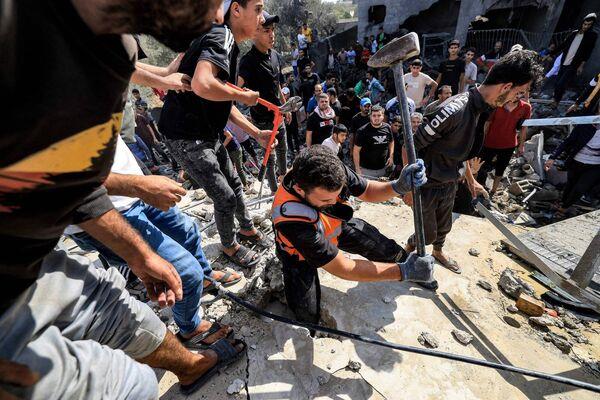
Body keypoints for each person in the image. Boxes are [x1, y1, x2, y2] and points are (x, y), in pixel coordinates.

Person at [1, 0, 242, 398]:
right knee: (136, 382)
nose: (218, 17)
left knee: (154, 275)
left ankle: (189, 355)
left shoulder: (111, 46)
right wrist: (137, 200)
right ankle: (189, 324)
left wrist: (140, 251)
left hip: (56, 246)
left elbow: (66, 178)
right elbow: (58, 177)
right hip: (90, 222)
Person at [66, 136, 243, 346]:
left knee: (188, 231)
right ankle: (190, 328)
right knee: (185, 273)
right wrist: (137, 185)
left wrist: (141, 180)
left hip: (135, 192)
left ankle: (205, 277)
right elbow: (58, 181)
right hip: (99, 213)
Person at [402, 50, 543, 281]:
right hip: (427, 184)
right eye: (519, 94)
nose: (518, 101)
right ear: (506, 86)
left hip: (449, 182)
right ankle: (408, 248)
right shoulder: (454, 110)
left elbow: (462, 153)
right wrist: (407, 186)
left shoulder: (483, 110)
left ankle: (438, 252)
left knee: (444, 226)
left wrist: (472, 181)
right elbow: (410, 145)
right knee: (425, 233)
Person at [160, 0, 274, 270]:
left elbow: (221, 101)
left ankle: (246, 229)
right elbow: (203, 84)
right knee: (224, 196)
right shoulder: (221, 35)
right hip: (186, 136)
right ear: (236, 10)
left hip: (206, 132)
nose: (261, 18)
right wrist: (244, 94)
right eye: (257, 9)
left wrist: (256, 133)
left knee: (234, 184)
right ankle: (229, 245)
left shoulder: (228, 43)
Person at [272, 146, 433, 323]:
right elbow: (344, 268)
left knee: (382, 246)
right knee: (306, 311)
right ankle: (308, 324)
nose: (333, 202)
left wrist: (398, 186)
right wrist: (403, 272)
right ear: (300, 190)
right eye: (325, 200)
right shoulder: (291, 219)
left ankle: (411, 264)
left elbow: (367, 190)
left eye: (337, 195)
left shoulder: (329, 169)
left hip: (335, 226)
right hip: (299, 255)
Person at [238, 11, 288, 194]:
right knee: (270, 157)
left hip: (279, 114)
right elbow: (236, 89)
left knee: (283, 150)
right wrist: (246, 95)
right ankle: (275, 191)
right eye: (266, 30)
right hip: (263, 119)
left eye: (273, 30)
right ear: (253, 33)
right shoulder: (248, 61)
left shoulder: (274, 55)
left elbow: (278, 84)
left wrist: (285, 106)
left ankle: (285, 183)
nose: (272, 34)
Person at [545, 105, 600, 215]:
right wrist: (553, 157)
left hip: (595, 166)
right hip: (576, 162)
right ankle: (563, 202)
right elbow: (568, 141)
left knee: (580, 188)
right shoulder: (585, 124)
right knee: (570, 184)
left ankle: (565, 207)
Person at [476, 97, 532, 194]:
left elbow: (524, 128)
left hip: (508, 144)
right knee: (482, 166)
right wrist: (481, 140)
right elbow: (487, 124)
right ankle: (480, 188)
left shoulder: (525, 107)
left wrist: (521, 145)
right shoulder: (498, 104)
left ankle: (493, 191)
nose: (518, 95)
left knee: (501, 167)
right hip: (490, 142)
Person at [549, 13, 598, 105]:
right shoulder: (574, 33)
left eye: (589, 25)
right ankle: (555, 99)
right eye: (585, 24)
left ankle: (556, 101)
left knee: (561, 83)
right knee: (557, 82)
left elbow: (588, 52)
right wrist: (551, 54)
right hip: (564, 61)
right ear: (582, 23)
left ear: (592, 25)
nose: (586, 26)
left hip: (574, 63)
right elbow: (563, 45)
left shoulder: (592, 36)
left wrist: (581, 66)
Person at [353, 105, 394, 178]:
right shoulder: (362, 131)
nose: (376, 118)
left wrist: (391, 156)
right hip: (366, 170)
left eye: (379, 115)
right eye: (374, 115)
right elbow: (356, 151)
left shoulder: (387, 127)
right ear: (370, 116)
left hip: (383, 169)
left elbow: (391, 142)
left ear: (383, 116)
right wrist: (357, 169)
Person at [282, 87, 301, 156]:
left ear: (289, 94)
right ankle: (292, 151)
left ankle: (298, 150)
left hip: (294, 122)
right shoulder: (281, 102)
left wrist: (299, 121)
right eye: (283, 94)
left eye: (285, 94)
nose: (284, 95)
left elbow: (297, 111)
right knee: (288, 137)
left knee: (296, 136)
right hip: (286, 124)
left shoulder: (293, 101)